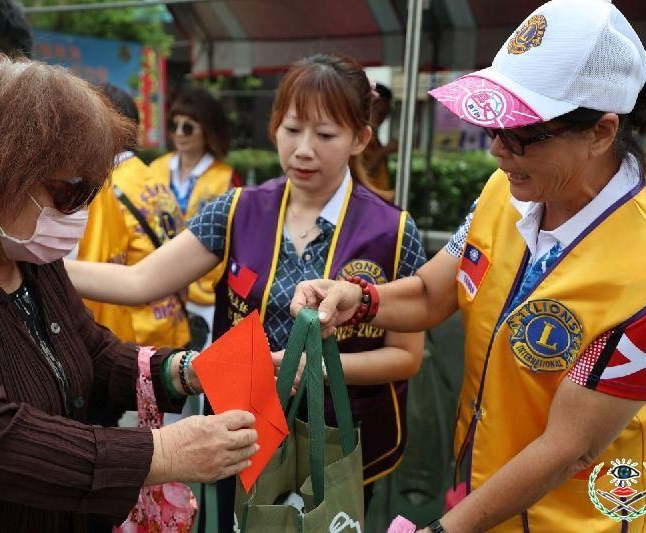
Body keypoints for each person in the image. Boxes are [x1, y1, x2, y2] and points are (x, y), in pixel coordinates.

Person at [292, 1, 646, 531]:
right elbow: (431, 294)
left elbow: (568, 448)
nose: (495, 149)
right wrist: (358, 299)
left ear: (602, 132)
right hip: (479, 490)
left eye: (520, 134)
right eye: (493, 126)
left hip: (577, 519)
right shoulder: (506, 193)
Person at [0, 59, 258, 533]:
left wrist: (193, 371)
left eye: (90, 194)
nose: (79, 214)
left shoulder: (20, 247)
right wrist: (159, 453)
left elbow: (90, 351)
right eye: (69, 194)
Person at [66, 53, 427, 528]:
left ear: (360, 138)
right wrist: (40, 262)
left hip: (339, 441)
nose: (303, 150)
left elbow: (406, 356)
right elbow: (141, 281)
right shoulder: (236, 209)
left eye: (325, 135)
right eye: (292, 129)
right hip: (241, 430)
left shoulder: (393, 232)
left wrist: (311, 367)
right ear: (273, 126)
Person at [77, 84, 190, 349]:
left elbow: (97, 266)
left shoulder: (105, 187)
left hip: (133, 340)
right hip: (172, 327)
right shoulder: (152, 177)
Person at [147, 88, 241, 347]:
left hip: (207, 297)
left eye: (187, 127)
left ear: (207, 130)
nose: (178, 133)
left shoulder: (225, 177)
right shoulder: (154, 169)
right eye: (174, 125)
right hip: (159, 290)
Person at [362, 82, 398, 196]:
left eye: (385, 115)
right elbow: (362, 171)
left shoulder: (375, 137)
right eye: (380, 113)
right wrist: (384, 151)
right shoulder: (358, 137)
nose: (382, 119)